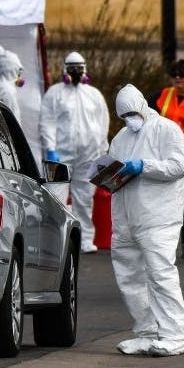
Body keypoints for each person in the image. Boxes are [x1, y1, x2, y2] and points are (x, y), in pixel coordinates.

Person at [110, 84, 184, 357]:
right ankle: (146, 332)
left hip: (159, 216)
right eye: (124, 115)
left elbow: (178, 166)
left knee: (160, 275)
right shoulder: (121, 137)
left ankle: (174, 335)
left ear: (143, 105)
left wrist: (144, 166)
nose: (129, 118)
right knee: (130, 277)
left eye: (132, 112)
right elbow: (116, 173)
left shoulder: (167, 129)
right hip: (127, 217)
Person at [39, 51, 110, 253]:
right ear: (65, 69)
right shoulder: (55, 93)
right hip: (59, 154)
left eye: (79, 67)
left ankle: (84, 239)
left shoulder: (94, 95)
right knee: (55, 198)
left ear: (85, 69)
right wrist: (50, 148)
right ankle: (56, 241)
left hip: (89, 155)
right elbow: (47, 122)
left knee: (84, 198)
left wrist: (102, 149)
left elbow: (103, 122)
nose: (76, 71)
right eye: (72, 67)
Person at [150, 58, 184, 259]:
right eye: (174, 75)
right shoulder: (163, 96)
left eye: (183, 75)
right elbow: (143, 113)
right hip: (167, 158)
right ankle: (164, 244)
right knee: (165, 201)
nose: (178, 79)